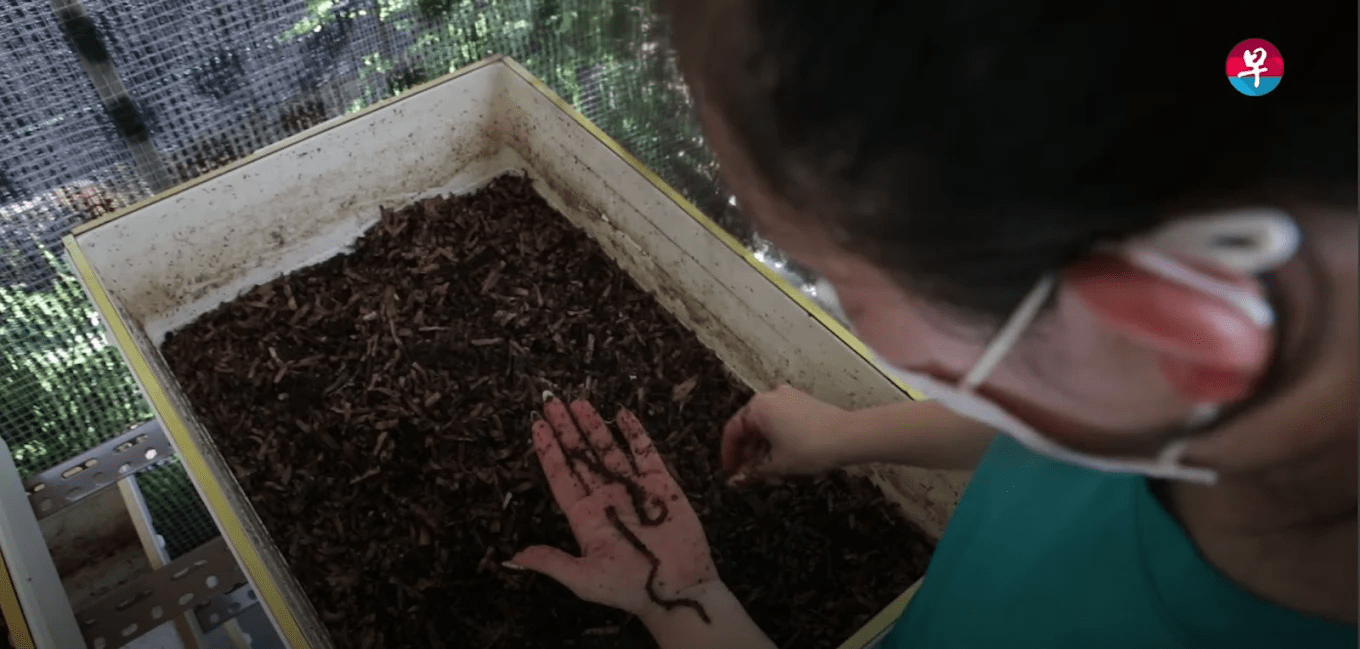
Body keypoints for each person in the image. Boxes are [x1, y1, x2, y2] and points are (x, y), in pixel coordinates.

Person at [507, 1, 1358, 647]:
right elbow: (1053, 441)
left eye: (830, 272)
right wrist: (849, 433)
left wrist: (682, 610)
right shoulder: (1218, 386)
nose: (824, 289)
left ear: (1166, 341)